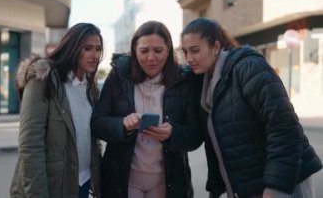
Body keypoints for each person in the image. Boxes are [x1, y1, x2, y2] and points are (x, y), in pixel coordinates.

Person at [181, 17, 322, 198]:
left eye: (195, 50)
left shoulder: (248, 67)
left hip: (284, 184)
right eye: (185, 52)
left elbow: (284, 128)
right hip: (250, 187)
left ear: (215, 47)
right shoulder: (205, 82)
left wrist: (275, 188)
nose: (189, 58)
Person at [91, 20, 203, 198]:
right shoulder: (118, 76)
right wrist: (122, 125)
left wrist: (174, 134)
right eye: (144, 51)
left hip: (168, 182)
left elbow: (196, 135)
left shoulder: (184, 81)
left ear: (168, 50)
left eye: (158, 51)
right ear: (135, 51)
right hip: (122, 181)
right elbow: (97, 123)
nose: (151, 58)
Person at [10, 23, 103, 198]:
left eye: (98, 49)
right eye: (88, 48)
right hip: (52, 186)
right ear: (72, 48)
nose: (95, 55)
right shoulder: (43, 80)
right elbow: (30, 145)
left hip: (83, 183)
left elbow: (91, 138)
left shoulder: (90, 88)